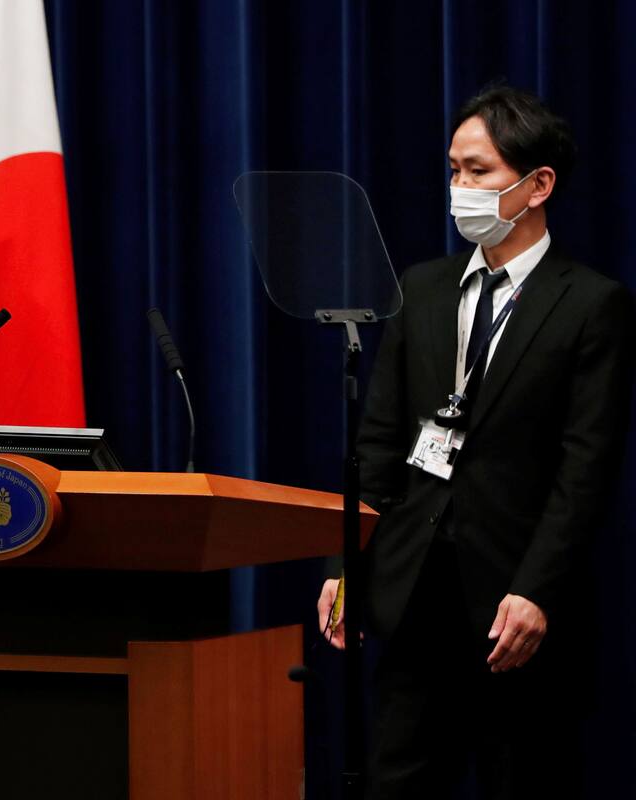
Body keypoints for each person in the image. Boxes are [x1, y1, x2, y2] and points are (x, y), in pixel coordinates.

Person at [316, 85, 633, 798]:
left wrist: (535, 590)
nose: (461, 188)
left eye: (480, 171)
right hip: (413, 590)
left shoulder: (590, 303)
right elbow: (379, 443)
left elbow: (585, 469)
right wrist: (347, 566)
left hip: (513, 608)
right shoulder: (423, 289)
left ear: (538, 183)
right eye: (454, 170)